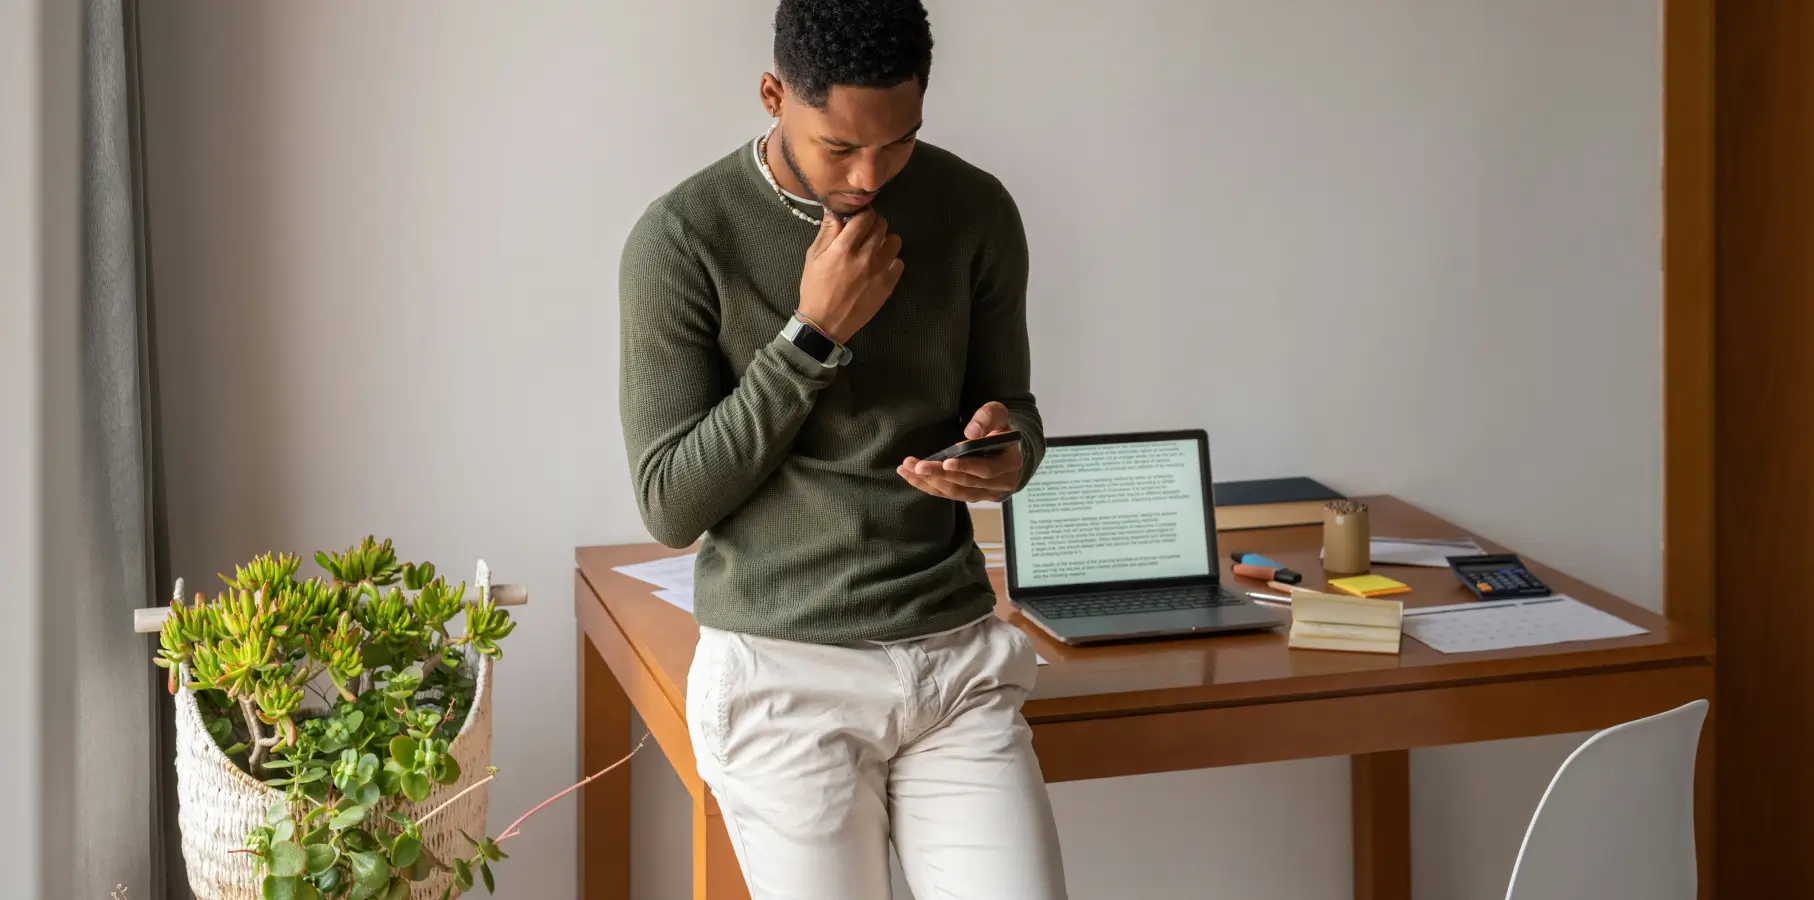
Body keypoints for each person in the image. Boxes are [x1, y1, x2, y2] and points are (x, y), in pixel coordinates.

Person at [617, 1, 1067, 897]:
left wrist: (1007, 454)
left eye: (898, 143)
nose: (870, 175)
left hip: (953, 656)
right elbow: (669, 504)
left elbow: (1010, 404)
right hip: (782, 672)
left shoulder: (974, 210)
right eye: (839, 147)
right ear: (774, 95)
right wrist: (813, 334)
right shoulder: (681, 240)